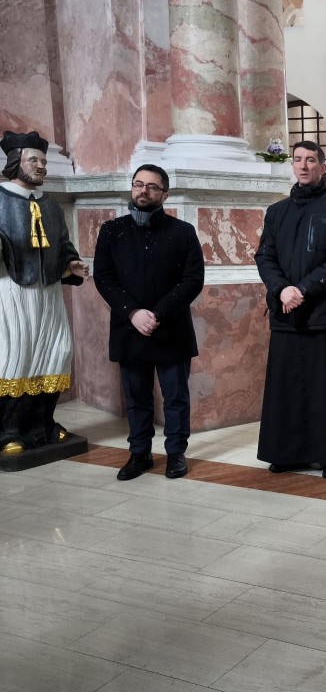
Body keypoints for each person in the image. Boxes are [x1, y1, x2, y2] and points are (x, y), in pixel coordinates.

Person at [255, 140, 326, 479]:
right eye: (298, 160)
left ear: (322, 167)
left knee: (325, 390)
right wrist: (282, 289)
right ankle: (285, 453)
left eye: (310, 160)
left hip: (324, 313)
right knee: (286, 388)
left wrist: (302, 289)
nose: (303, 166)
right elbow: (265, 256)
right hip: (286, 312)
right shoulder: (276, 212)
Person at [93, 164, 204, 480]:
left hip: (171, 329)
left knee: (176, 397)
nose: (143, 190)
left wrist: (157, 313)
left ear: (164, 195)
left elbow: (193, 280)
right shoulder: (111, 230)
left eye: (152, 186)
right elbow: (104, 277)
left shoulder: (183, 232)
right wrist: (133, 312)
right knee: (137, 398)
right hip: (129, 328)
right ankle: (139, 453)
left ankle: (176, 453)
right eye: (138, 184)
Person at [0, 130, 89, 456]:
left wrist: (71, 264)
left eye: (43, 161)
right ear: (15, 162)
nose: (41, 166)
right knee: (16, 358)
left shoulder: (49, 205)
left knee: (56, 353)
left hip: (49, 292)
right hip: (11, 290)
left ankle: (43, 425)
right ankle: (9, 431)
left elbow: (63, 244)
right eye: (33, 160)